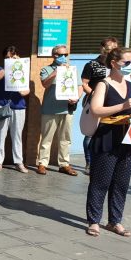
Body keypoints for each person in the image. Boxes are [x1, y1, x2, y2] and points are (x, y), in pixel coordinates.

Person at [85, 47, 131, 237]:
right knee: (101, 181)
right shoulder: (103, 84)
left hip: (127, 136)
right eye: (127, 62)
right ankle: (94, 221)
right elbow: (96, 110)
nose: (130, 66)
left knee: (121, 182)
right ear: (114, 63)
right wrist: (123, 106)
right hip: (106, 135)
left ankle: (115, 220)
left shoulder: (129, 83)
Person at [36, 44, 81, 176]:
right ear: (54, 55)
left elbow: (79, 86)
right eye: (60, 55)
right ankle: (42, 163)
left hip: (67, 109)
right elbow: (44, 84)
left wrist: (77, 98)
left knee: (65, 139)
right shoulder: (46, 69)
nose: (63, 57)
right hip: (50, 109)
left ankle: (64, 164)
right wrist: (56, 72)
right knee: (46, 138)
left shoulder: (71, 70)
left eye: (65, 55)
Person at [0, 46, 30, 173]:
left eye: (12, 57)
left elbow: (27, 91)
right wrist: (9, 65)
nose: (10, 59)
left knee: (17, 136)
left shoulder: (23, 69)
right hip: (2, 105)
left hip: (18, 106)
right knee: (0, 135)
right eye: (7, 57)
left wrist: (18, 64)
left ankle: (19, 162)